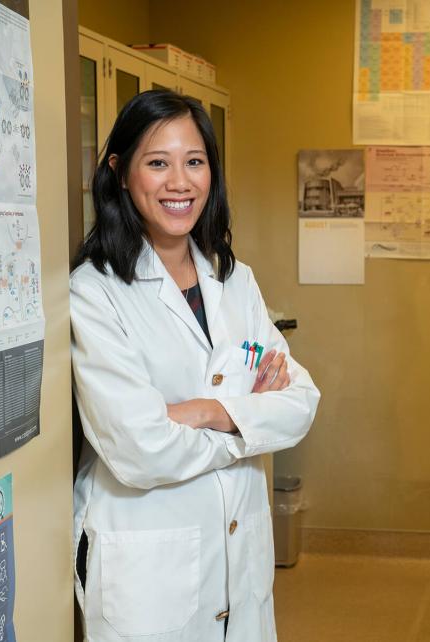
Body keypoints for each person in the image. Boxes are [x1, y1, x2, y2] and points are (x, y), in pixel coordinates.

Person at [70, 90, 320, 642]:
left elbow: (301, 404)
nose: (179, 183)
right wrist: (248, 422)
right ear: (120, 172)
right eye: (157, 163)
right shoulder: (96, 291)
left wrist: (204, 411)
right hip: (151, 574)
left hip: (239, 564)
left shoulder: (234, 280)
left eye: (195, 162)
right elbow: (139, 447)